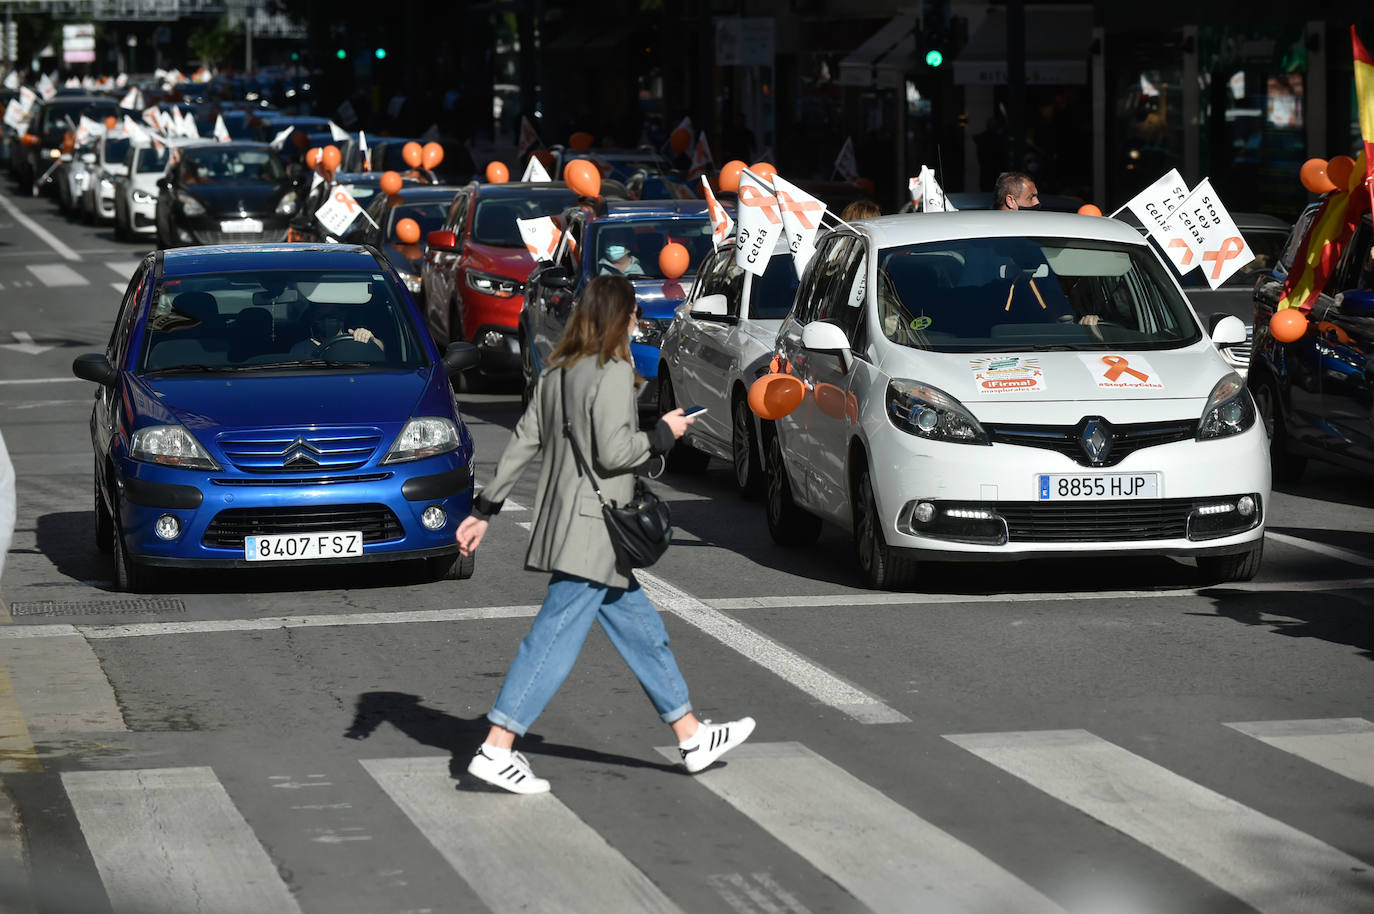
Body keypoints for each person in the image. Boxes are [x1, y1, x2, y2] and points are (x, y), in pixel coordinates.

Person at [454, 275, 755, 794]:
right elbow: (616, 452)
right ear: (621, 318)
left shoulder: (559, 370)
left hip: (579, 529)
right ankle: (497, 747)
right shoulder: (613, 371)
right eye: (634, 314)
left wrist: (485, 508)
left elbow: (524, 441)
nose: (638, 322)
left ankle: (690, 735)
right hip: (593, 532)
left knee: (643, 631)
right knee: (552, 640)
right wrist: (664, 434)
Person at [289, 302, 383, 357]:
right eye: (322, 316)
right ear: (314, 318)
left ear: (342, 316)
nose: (327, 320)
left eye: (332, 315)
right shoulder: (300, 349)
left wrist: (370, 339)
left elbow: (380, 349)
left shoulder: (355, 340)